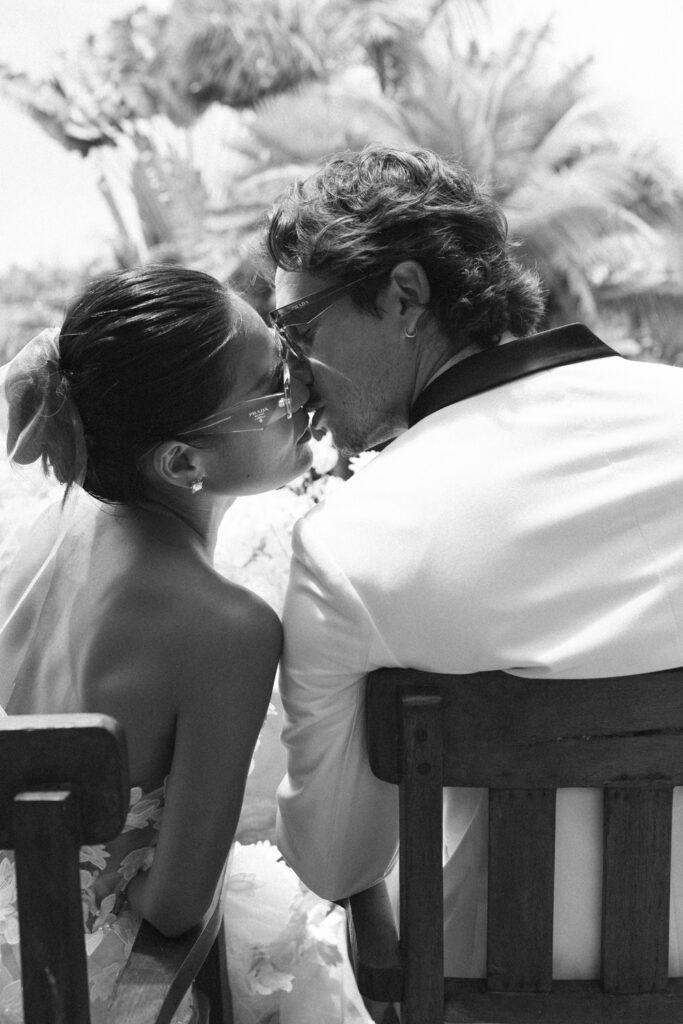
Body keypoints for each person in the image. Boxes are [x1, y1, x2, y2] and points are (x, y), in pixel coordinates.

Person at [266, 145, 683, 979]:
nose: (290, 373)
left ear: (403, 295)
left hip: (493, 986)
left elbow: (335, 862)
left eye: (299, 330)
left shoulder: (354, 539)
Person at [0, 266, 371, 1024]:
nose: (303, 392)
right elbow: (174, 906)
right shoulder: (226, 627)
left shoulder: (60, 528)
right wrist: (101, 882)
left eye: (289, 357)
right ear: (181, 463)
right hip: (83, 981)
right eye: (273, 388)